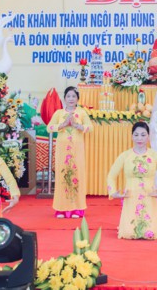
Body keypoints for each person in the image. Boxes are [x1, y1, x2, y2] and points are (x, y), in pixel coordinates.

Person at [107, 121, 157, 239]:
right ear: (132, 136)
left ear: (148, 137)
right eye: (136, 135)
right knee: (128, 234)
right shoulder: (125, 155)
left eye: (143, 135)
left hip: (149, 197)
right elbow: (111, 176)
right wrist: (113, 192)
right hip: (130, 197)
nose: (139, 138)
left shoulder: (155, 156)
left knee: (150, 234)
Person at [46, 86, 93, 218]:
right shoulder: (59, 113)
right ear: (64, 99)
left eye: (73, 96)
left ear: (77, 98)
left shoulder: (82, 113)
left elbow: (90, 127)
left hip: (77, 149)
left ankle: (77, 209)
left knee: (77, 175)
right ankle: (61, 209)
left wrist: (79, 126)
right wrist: (63, 125)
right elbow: (49, 128)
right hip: (62, 149)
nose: (71, 99)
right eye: (68, 96)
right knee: (62, 176)